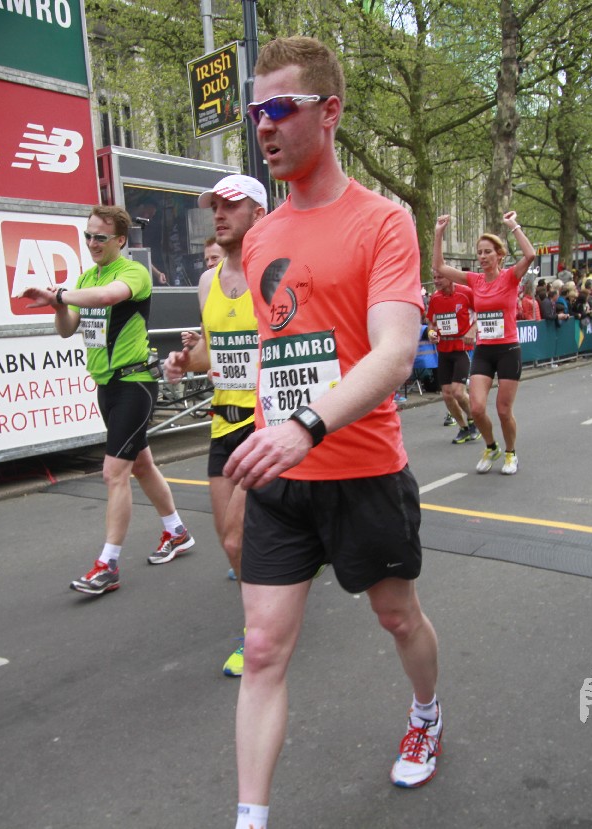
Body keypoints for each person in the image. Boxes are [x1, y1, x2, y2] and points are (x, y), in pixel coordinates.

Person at [222, 37, 442, 829]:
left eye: (281, 107)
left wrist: (307, 424)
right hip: (281, 477)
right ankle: (250, 817)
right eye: (256, 111)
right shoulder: (260, 237)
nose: (264, 126)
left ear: (330, 112)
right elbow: (278, 346)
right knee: (263, 647)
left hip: (362, 469)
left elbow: (393, 353)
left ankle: (427, 712)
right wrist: (266, 427)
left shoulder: (385, 222)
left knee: (397, 616)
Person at [23, 206, 194, 596]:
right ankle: (177, 532)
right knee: (142, 465)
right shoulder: (86, 278)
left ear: (120, 240)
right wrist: (59, 305)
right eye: (87, 235)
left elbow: (105, 298)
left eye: (100, 237)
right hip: (107, 387)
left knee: (114, 473)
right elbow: (67, 329)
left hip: (135, 384)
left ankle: (108, 565)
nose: (92, 243)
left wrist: (59, 293)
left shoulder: (133, 272)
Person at [164, 174, 267, 676]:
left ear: (259, 214)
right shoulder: (208, 282)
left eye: (231, 206)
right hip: (224, 421)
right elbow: (211, 353)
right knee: (232, 542)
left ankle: (258, 633)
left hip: (266, 421)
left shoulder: (277, 272)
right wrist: (186, 361)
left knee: (235, 539)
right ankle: (278, 591)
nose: (219, 215)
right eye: (214, 207)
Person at [432, 211, 536, 475]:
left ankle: (510, 453)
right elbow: (440, 267)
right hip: (484, 350)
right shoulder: (474, 281)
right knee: (477, 408)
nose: (482, 256)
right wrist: (438, 233)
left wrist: (513, 225)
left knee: (503, 410)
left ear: (499, 255)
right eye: (479, 252)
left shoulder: (510, 277)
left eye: (487, 252)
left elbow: (530, 255)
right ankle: (491, 446)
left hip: (508, 349)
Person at [425, 270, 479, 444]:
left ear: (450, 277)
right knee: (447, 395)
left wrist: (472, 330)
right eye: (434, 278)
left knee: (458, 391)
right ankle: (463, 428)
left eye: (440, 277)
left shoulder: (466, 293)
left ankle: (473, 420)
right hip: (444, 349)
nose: (436, 281)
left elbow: (482, 313)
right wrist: (431, 333)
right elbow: (431, 323)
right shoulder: (435, 298)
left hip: (462, 348)